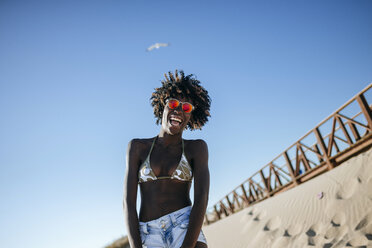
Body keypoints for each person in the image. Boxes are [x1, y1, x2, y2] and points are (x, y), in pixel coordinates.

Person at [123, 70, 211, 248]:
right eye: (173, 103)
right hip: (148, 233)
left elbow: (202, 198)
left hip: (185, 226)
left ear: (191, 115)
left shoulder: (197, 148)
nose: (178, 110)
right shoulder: (137, 147)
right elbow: (128, 203)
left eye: (186, 107)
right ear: (163, 105)